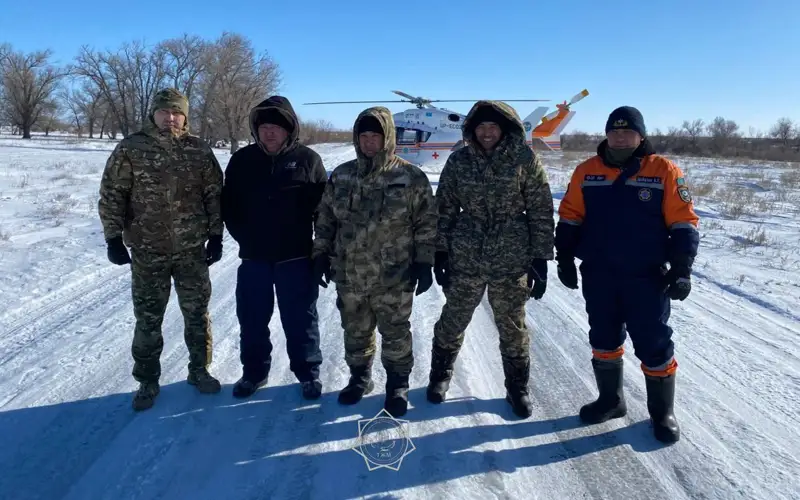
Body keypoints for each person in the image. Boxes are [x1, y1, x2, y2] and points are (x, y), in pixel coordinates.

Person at [555, 106, 699, 443]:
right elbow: (570, 216)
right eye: (615, 131)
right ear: (606, 134)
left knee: (654, 343)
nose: (621, 136)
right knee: (603, 338)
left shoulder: (663, 170)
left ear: (641, 135)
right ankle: (611, 400)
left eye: (628, 131)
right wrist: (563, 257)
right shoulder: (587, 171)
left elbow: (683, 221)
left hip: (646, 276)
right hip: (599, 273)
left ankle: (662, 413)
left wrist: (682, 267)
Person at [98, 88, 225, 411]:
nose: (170, 118)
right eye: (164, 112)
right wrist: (113, 238)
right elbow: (113, 193)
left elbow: (214, 195)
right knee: (148, 317)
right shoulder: (132, 148)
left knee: (196, 313)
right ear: (153, 114)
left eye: (177, 113)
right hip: (147, 250)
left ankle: (199, 370)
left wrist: (216, 235)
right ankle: (147, 380)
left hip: (191, 250)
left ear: (185, 116)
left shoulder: (198, 150)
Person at [428, 100, 555, 419]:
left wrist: (541, 258)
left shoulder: (525, 158)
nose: (487, 133)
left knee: (512, 325)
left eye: (493, 127)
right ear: (473, 129)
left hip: (511, 255)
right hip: (466, 252)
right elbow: (443, 207)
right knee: (453, 318)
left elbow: (540, 209)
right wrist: (439, 250)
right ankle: (440, 376)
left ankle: (517, 388)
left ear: (504, 129)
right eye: (481, 127)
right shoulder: (459, 160)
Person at [311, 106, 437, 417]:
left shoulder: (410, 177)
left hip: (394, 275)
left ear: (388, 138)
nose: (369, 142)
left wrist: (424, 262)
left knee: (395, 332)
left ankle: (397, 385)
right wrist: (320, 255)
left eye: (375, 136)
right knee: (355, 330)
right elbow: (325, 218)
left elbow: (427, 223)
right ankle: (360, 378)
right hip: (350, 273)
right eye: (363, 136)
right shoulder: (342, 175)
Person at [221, 95, 327, 400]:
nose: (270, 132)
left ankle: (308, 373)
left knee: (301, 318)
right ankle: (254, 372)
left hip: (295, 257)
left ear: (289, 130)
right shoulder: (242, 161)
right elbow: (228, 206)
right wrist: (244, 238)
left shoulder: (308, 160)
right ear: (256, 129)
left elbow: (323, 211)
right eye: (265, 126)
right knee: (252, 318)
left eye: (277, 127)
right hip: (254, 258)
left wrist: (321, 252)